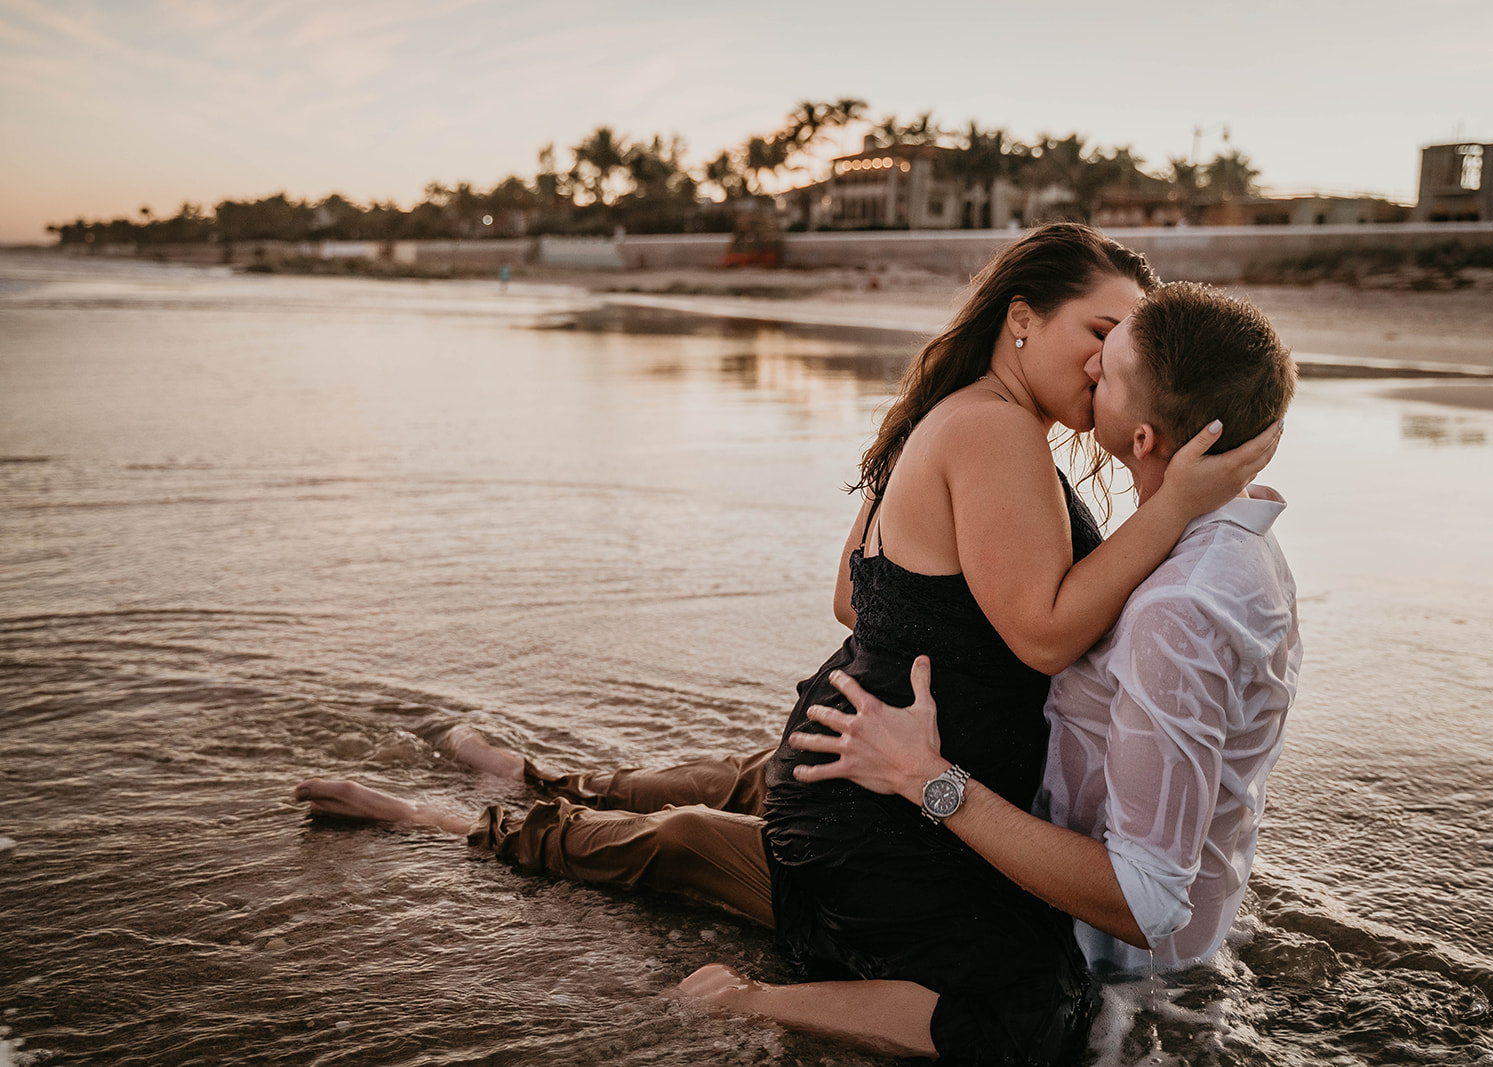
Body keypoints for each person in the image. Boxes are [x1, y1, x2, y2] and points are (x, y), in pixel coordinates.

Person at [295, 228, 1280, 1063]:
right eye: (1098, 334)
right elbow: (1041, 630)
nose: (1107, 364)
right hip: (899, 770)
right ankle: (466, 807)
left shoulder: (953, 414)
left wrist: (946, 631)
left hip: (867, 724)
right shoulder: (994, 434)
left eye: (1123, 348)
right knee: (714, 839)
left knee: (723, 795)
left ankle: (523, 777)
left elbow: (853, 593)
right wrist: (1176, 509)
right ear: (1022, 316)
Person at [674, 280, 1300, 1058]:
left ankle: (740, 994)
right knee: (723, 813)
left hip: (1100, 952)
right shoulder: (1228, 545)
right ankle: (533, 808)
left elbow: (1144, 899)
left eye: (1111, 364)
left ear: (1143, 440)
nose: (1092, 363)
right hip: (1009, 853)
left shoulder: (1183, 603)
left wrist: (926, 776)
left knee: (710, 844)